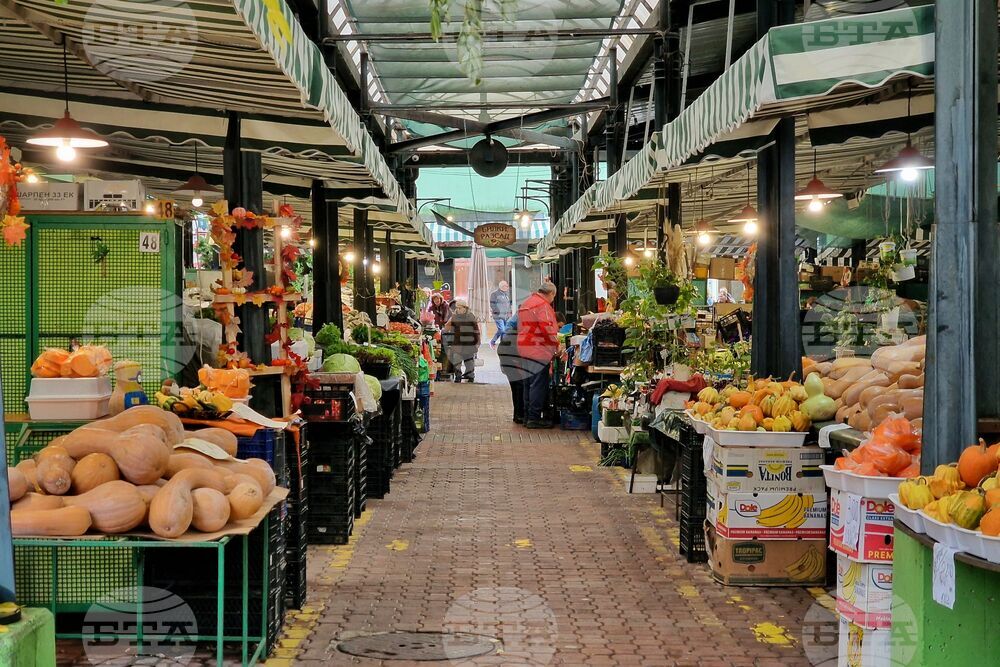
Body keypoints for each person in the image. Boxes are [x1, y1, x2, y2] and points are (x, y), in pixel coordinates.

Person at [517, 282, 559, 429]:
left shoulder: (527, 303)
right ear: (551, 294)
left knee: (528, 384)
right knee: (538, 385)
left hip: (524, 347)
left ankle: (527, 416)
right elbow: (547, 328)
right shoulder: (543, 306)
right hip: (538, 349)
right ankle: (534, 418)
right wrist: (556, 344)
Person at [496, 313, 525, 424]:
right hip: (510, 357)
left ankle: (518, 415)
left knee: (517, 386)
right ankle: (519, 415)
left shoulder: (515, 327)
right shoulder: (517, 331)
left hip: (508, 355)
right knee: (519, 386)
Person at [443, 300, 481, 383]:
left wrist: (478, 341)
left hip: (469, 343)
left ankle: (470, 376)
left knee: (469, 361)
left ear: (465, 308)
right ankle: (458, 376)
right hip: (457, 342)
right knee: (457, 360)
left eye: (460, 308)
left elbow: (476, 329)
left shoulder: (471, 316)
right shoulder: (454, 316)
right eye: (457, 308)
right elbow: (449, 328)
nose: (458, 309)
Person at [488, 280, 513, 349]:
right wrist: (497, 311)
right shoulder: (495, 294)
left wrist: (509, 313)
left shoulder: (506, 295)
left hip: (506, 316)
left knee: (504, 331)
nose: (508, 287)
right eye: (506, 286)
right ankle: (492, 342)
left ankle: (503, 345)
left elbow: (508, 305)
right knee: (502, 329)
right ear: (502, 286)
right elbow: (492, 304)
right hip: (498, 316)